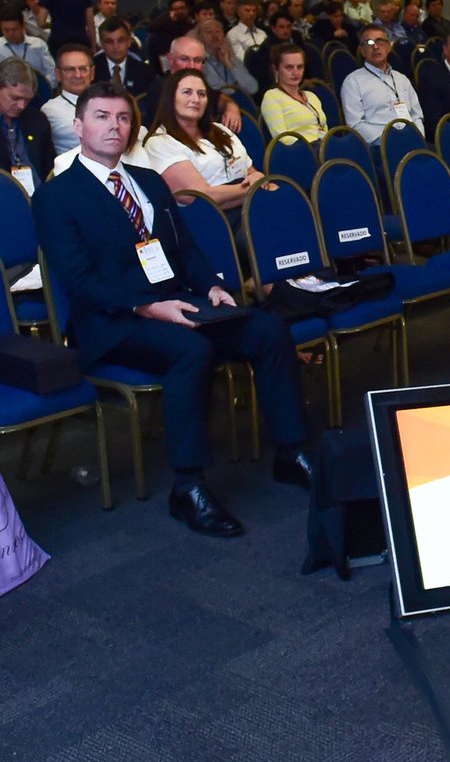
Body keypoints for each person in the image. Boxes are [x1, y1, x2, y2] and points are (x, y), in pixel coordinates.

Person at [33, 80, 311, 538]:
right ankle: (188, 487)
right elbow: (80, 282)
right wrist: (148, 308)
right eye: (101, 117)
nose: (114, 127)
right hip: (113, 322)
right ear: (79, 126)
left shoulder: (147, 182)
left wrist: (214, 287)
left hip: (181, 302)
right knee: (190, 352)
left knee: (266, 329)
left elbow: (185, 250)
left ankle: (292, 452)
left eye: (122, 118)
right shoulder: (57, 196)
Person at [144, 69, 261, 212]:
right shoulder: (160, 142)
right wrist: (254, 188)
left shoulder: (221, 130)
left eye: (201, 94)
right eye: (187, 92)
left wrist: (259, 178)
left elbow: (250, 171)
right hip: (213, 221)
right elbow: (200, 197)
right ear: (171, 98)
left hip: (251, 206)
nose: (196, 99)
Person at [340, 24, 423, 145]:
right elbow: (355, 125)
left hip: (412, 141)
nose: (375, 46)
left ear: (389, 46)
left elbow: (417, 116)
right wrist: (389, 139)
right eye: (369, 43)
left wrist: (417, 136)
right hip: (379, 147)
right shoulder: (352, 82)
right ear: (362, 51)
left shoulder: (402, 79)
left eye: (380, 41)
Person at [0, 58, 52, 195]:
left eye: (27, 100)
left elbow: (50, 168)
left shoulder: (37, 120)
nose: (22, 106)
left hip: (40, 196)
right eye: (15, 98)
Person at [259, 44, 329, 144]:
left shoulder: (311, 96)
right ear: (276, 68)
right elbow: (282, 138)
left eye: (300, 67)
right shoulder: (272, 97)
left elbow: (324, 128)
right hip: (298, 152)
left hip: (322, 148)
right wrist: (310, 146)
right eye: (289, 67)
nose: (296, 72)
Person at [41, 45, 94, 155]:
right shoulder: (51, 110)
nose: (78, 75)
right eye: (70, 70)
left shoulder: (107, 102)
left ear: (92, 73)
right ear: (58, 74)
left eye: (83, 69)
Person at [195, 17, 257, 98]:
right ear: (199, 37)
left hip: (241, 105)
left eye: (218, 31)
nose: (214, 35)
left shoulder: (231, 58)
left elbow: (253, 88)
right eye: (208, 32)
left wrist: (230, 65)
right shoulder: (198, 61)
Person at [0, 4, 56, 86]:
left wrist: (40, 87)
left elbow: (52, 73)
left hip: (39, 92)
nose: (10, 34)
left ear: (23, 26)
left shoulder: (38, 45)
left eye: (14, 29)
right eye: (6, 30)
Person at [226, 0, 267, 64]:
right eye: (247, 10)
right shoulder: (232, 34)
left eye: (254, 11)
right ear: (239, 12)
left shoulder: (262, 33)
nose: (251, 13)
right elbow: (240, 58)